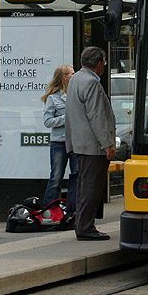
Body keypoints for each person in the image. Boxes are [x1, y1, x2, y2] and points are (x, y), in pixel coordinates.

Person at [65, 47, 116, 241]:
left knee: (84, 185)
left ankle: (82, 224)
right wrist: (107, 144)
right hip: (93, 145)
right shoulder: (92, 83)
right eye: (103, 62)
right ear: (99, 62)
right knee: (91, 187)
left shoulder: (76, 78)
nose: (104, 65)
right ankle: (86, 227)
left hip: (79, 143)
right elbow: (97, 116)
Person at [42, 64, 76, 211]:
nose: (74, 76)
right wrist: (65, 118)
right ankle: (49, 209)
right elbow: (48, 121)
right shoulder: (53, 98)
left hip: (75, 142)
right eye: (72, 74)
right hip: (59, 142)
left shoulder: (76, 94)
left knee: (76, 175)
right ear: (64, 77)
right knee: (56, 177)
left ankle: (73, 208)